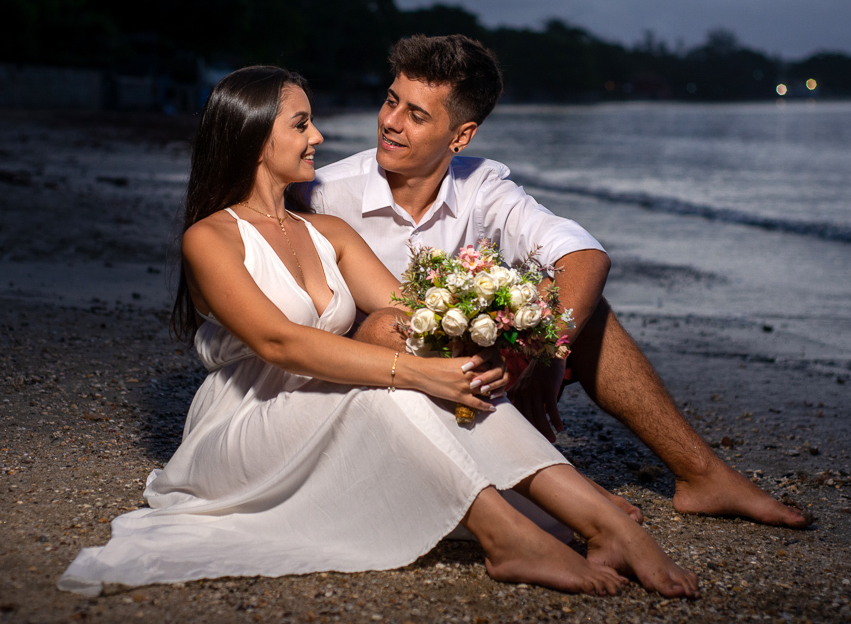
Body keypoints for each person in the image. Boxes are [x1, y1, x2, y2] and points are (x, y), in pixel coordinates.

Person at [57, 66, 700, 599]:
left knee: (425, 373)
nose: (320, 137)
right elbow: (279, 343)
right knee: (389, 387)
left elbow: (406, 310)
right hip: (245, 421)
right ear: (256, 138)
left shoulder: (329, 233)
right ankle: (508, 538)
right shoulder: (210, 237)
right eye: (302, 124)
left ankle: (602, 520)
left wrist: (494, 347)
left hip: (321, 402)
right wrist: (421, 373)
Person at [299, 34, 810, 529]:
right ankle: (549, 480)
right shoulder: (322, 193)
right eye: (392, 101)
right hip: (363, 382)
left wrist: (544, 349)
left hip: (460, 383)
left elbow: (584, 256)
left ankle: (702, 476)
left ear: (461, 135)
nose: (390, 123)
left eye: (416, 115)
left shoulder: (481, 185)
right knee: (392, 325)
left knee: (588, 314)